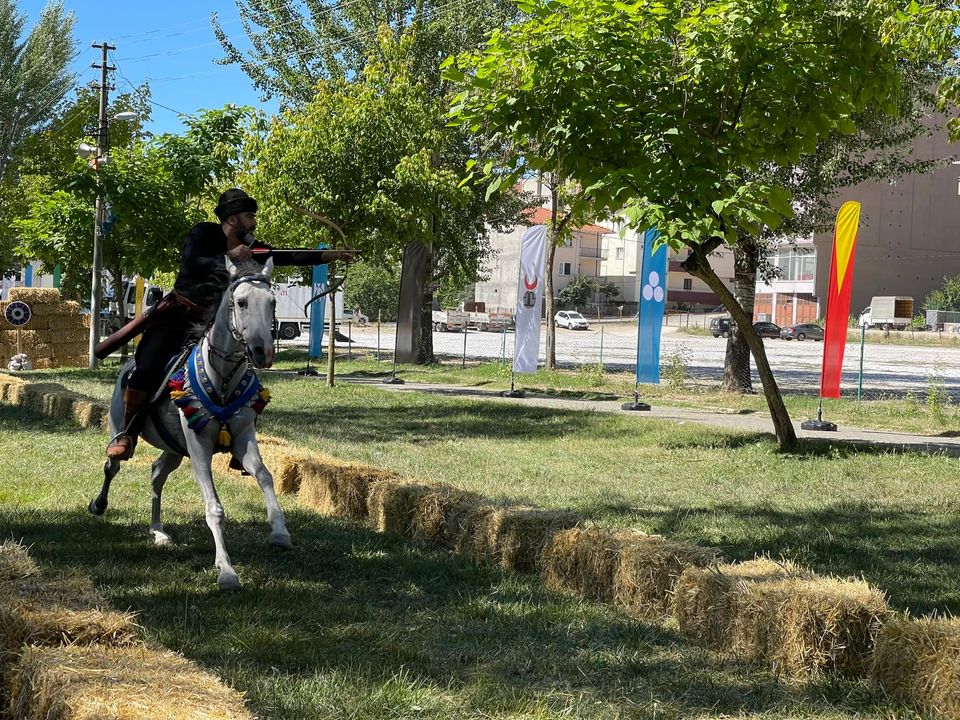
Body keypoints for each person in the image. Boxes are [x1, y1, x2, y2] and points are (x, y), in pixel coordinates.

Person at [105, 189, 354, 460]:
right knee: (147, 368)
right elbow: (192, 262)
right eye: (249, 216)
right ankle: (127, 434)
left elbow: (288, 255)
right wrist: (231, 255)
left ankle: (239, 445)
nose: (254, 222)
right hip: (177, 317)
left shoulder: (251, 247)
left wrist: (332, 255)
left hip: (215, 323)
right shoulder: (202, 234)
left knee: (240, 373)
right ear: (232, 219)